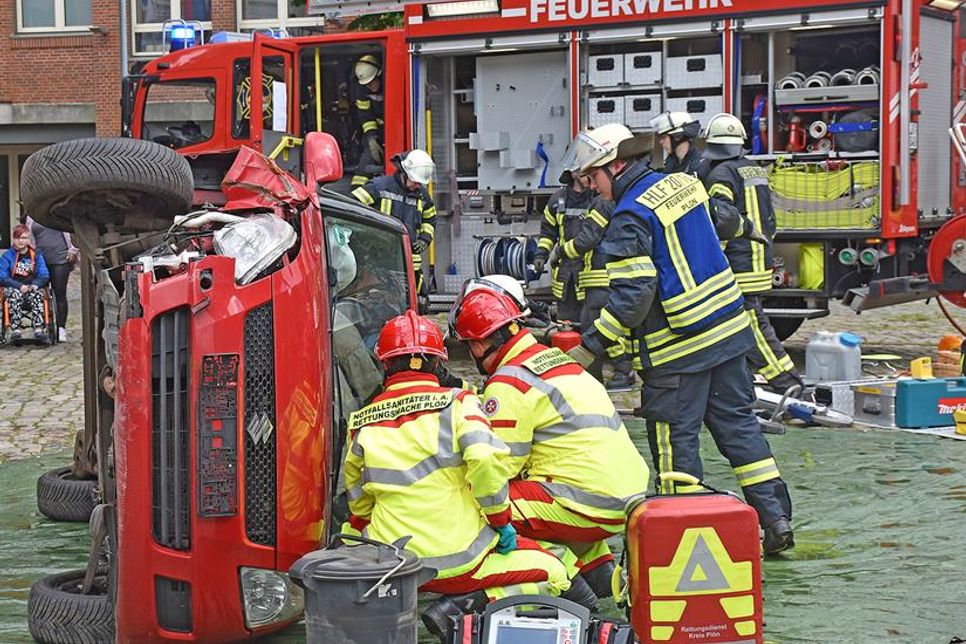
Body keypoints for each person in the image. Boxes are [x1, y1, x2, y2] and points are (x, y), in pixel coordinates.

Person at [564, 123, 794, 555]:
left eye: (593, 177)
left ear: (617, 165)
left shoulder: (630, 216)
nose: (591, 187)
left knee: (675, 449)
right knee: (740, 429)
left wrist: (590, 347)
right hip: (728, 335)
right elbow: (725, 221)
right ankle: (776, 520)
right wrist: (749, 230)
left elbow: (634, 297)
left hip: (677, 353)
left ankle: (687, 545)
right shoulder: (683, 184)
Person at [341, 310, 574, 638]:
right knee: (554, 571)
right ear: (438, 363)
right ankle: (467, 604)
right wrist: (500, 520)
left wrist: (361, 527)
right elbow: (484, 458)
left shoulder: (362, 420)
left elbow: (357, 497)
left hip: (393, 567)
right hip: (461, 563)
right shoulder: (459, 402)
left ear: (385, 364)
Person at [449, 286, 650, 597]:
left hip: (587, 502)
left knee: (481, 504)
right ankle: (600, 573)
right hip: (627, 496)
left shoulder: (509, 381)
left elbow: (500, 469)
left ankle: (565, 576)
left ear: (478, 345)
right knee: (550, 493)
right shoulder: (555, 361)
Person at [701, 113, 803, 394]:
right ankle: (741, 382)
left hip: (739, 262)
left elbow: (722, 221)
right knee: (735, 324)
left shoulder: (720, 175)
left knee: (752, 326)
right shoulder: (753, 169)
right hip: (759, 256)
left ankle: (787, 382)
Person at [352, 149, 437, 310]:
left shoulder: (422, 196)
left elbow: (430, 219)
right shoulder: (379, 187)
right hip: (377, 259)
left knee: (414, 303)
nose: (418, 185)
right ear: (405, 173)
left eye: (421, 183)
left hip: (408, 260)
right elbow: (351, 207)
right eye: (416, 181)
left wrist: (424, 240)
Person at [533, 170, 593, 323]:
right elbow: (547, 233)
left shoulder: (597, 197)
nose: (589, 177)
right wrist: (541, 254)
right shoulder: (557, 200)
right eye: (584, 173)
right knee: (566, 327)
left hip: (590, 273)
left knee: (590, 324)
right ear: (573, 174)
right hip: (566, 276)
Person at [27, 217, 77, 342]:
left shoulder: (58, 212)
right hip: (40, 260)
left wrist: (73, 250)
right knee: (38, 292)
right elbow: (29, 239)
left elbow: (74, 232)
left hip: (60, 258)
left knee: (59, 293)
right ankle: (41, 325)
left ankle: (61, 328)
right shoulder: (31, 217)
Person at [1, 225, 50, 342]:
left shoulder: (36, 255)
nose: (21, 241)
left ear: (28, 240)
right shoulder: (7, 256)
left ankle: (38, 328)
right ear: (14, 239)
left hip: (31, 286)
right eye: (18, 238)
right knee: (14, 294)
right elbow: (2, 276)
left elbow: (44, 275)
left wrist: (35, 284)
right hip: (13, 287)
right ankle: (16, 329)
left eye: (24, 238)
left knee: (37, 293)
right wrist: (19, 286)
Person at [350, 54, 385, 188]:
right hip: (375, 131)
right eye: (366, 84)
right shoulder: (361, 90)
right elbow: (365, 117)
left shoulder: (390, 82)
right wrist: (371, 139)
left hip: (393, 132)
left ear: (379, 74)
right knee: (365, 162)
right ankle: (355, 194)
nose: (369, 86)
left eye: (371, 82)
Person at [650, 111, 710, 181]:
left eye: (664, 137)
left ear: (677, 137)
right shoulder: (671, 162)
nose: (661, 142)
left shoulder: (699, 165)